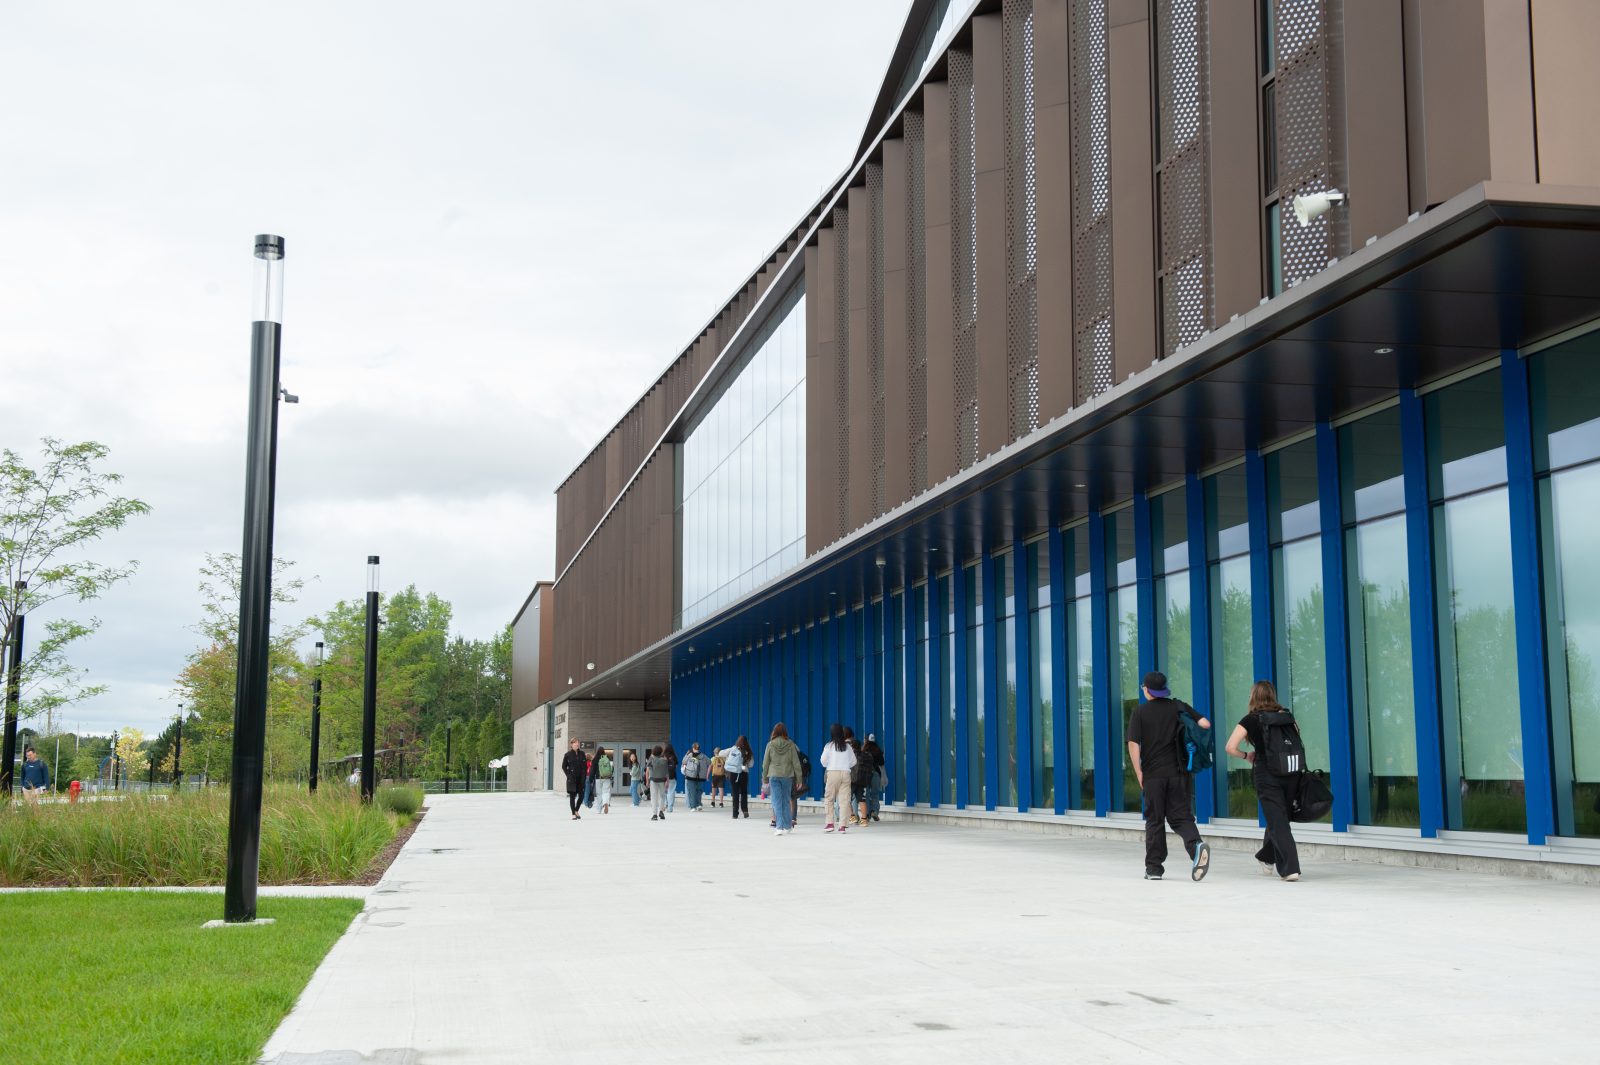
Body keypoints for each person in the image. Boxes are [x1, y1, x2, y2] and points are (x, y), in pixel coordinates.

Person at [1125, 671, 1212, 882]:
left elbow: (1133, 743)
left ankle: (1154, 869)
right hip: (1179, 773)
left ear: (1147, 689)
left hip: (1153, 775)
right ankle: (1196, 847)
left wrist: (1139, 772)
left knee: (1155, 820)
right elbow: (1205, 724)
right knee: (1181, 817)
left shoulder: (1140, 712)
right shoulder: (1177, 706)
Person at [1226, 679, 1303, 881]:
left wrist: (1246, 755)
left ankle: (1289, 869)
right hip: (1291, 771)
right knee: (1279, 817)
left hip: (1267, 773)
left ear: (1254, 696)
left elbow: (1230, 747)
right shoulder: (1287, 716)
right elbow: (1297, 739)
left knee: (1278, 820)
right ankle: (1267, 857)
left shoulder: (1251, 719)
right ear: (1272, 695)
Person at [762, 723, 802, 836]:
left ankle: (779, 827)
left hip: (774, 776)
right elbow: (796, 763)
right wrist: (799, 779)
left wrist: (764, 778)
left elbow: (765, 764)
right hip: (787, 776)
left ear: (774, 732)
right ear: (785, 732)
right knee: (785, 801)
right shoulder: (791, 745)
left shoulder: (770, 745)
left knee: (776, 801)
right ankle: (788, 826)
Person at [819, 723, 857, 832]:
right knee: (844, 800)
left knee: (829, 798)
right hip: (846, 773)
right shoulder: (848, 746)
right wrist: (845, 765)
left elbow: (823, 761)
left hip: (833, 773)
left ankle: (830, 823)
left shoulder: (829, 746)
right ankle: (842, 826)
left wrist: (830, 764)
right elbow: (854, 761)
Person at [720, 737, 753, 819]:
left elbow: (720, 753)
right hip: (744, 773)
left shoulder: (733, 749)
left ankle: (735, 814)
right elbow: (751, 765)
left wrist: (728, 759)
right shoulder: (748, 751)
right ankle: (745, 810)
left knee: (735, 793)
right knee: (744, 792)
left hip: (734, 773)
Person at [849, 737, 873, 826]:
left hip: (852, 780)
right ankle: (864, 819)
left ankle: (852, 817)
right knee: (861, 800)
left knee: (846, 799)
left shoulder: (851, 756)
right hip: (863, 781)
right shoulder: (866, 756)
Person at [561, 739, 587, 820]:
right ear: (571, 744)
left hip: (580, 779)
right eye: (575, 743)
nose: (577, 744)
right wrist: (568, 775)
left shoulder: (582, 754)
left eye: (578, 743)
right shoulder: (567, 755)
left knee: (582, 796)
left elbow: (585, 767)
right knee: (572, 797)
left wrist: (584, 776)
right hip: (572, 779)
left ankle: (576, 810)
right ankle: (573, 814)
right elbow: (564, 766)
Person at [862, 734, 886, 822]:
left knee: (866, 794)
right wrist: (884, 776)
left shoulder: (863, 750)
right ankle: (874, 811)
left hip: (865, 775)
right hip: (876, 774)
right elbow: (882, 764)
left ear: (865, 740)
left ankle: (867, 814)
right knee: (875, 794)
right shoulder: (878, 750)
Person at [647, 744, 672, 821]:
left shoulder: (651, 759)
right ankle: (661, 811)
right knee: (662, 796)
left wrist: (647, 781)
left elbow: (648, 770)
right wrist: (667, 781)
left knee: (654, 797)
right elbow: (667, 772)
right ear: (661, 752)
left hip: (653, 780)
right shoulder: (664, 760)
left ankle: (654, 814)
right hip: (662, 780)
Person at [682, 743, 706, 811]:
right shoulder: (703, 756)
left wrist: (686, 754)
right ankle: (699, 805)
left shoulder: (689, 755)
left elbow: (683, 762)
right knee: (698, 791)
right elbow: (709, 762)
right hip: (700, 776)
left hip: (690, 775)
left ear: (693, 748)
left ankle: (693, 807)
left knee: (691, 791)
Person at [595, 747, 614, 813]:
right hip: (607, 778)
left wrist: (591, 778)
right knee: (606, 792)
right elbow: (611, 768)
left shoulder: (595, 759)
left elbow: (592, 770)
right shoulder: (607, 758)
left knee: (599, 793)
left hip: (598, 778)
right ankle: (606, 803)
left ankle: (599, 809)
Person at [663, 743, 680, 813]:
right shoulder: (674, 757)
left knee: (664, 792)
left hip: (663, 777)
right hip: (672, 776)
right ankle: (670, 808)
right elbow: (675, 767)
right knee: (671, 792)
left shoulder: (662, 756)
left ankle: (665, 804)